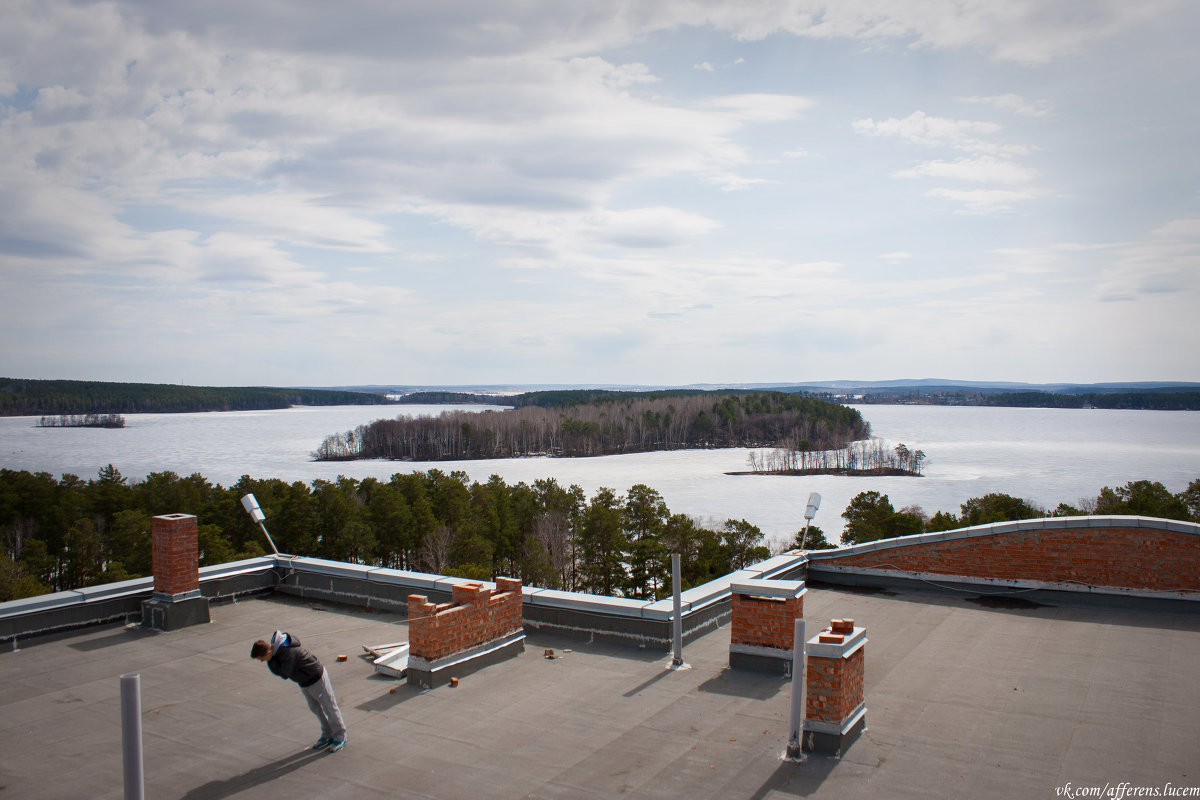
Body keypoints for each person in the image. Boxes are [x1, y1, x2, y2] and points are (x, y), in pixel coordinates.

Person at [251, 630, 347, 752]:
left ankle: (340, 736)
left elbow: (284, 673)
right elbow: (280, 670)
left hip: (316, 678)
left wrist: (272, 662)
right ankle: (328, 734)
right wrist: (273, 662)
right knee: (315, 708)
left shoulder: (287, 653)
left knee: (329, 706)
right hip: (304, 681)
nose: (263, 661)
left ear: (268, 652)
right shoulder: (277, 654)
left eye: (262, 658)